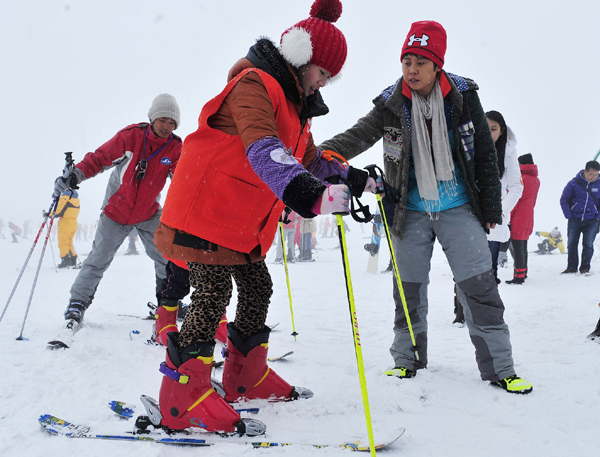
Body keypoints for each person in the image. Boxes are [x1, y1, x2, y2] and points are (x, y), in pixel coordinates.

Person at [152, 0, 381, 435]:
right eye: (322, 73)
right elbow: (264, 150)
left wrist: (357, 180)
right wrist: (310, 196)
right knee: (212, 291)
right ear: (300, 57)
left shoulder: (295, 107)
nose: (322, 84)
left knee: (259, 284)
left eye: (329, 78)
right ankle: (183, 394)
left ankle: (245, 374)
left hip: (236, 222)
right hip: (204, 211)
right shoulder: (254, 84)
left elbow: (309, 159)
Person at [319, 20, 532, 394]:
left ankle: (501, 367)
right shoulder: (391, 103)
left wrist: (492, 210)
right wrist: (317, 156)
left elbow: (484, 153)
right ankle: (408, 359)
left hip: (459, 207)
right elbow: (358, 135)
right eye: (406, 62)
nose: (412, 70)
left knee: (480, 288)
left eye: (420, 62)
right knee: (408, 290)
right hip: (409, 211)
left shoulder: (464, 96)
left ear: (437, 66)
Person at [51, 93, 182, 327]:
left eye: (172, 123)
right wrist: (75, 175)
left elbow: (184, 180)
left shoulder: (174, 147)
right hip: (116, 213)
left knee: (167, 258)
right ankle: (77, 303)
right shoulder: (131, 137)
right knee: (98, 259)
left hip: (149, 213)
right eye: (163, 120)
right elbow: (99, 159)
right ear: (153, 117)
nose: (167, 126)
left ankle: (168, 304)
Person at [484, 111, 523, 283]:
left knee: (489, 270)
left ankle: (487, 308)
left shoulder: (507, 152)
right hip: (468, 216)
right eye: (485, 127)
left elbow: (516, 186)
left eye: (493, 128)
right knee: (465, 271)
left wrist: (499, 211)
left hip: (492, 219)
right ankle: (464, 309)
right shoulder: (469, 147)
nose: (489, 132)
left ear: (501, 131)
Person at [559, 160, 600, 274]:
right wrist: (569, 216)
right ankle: (571, 267)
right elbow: (564, 200)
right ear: (585, 171)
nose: (593, 177)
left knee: (588, 245)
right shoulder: (573, 183)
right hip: (575, 219)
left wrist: (598, 218)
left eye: (596, 174)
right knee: (572, 244)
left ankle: (585, 268)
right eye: (591, 174)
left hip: (592, 220)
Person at [505, 154, 540, 284]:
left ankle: (518, 277)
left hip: (517, 218)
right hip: (528, 217)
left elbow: (514, 201)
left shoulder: (521, 179)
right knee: (523, 247)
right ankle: (524, 273)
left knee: (518, 248)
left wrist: (507, 217)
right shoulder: (536, 180)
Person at [47, 189, 81, 268]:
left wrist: (48, 214)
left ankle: (65, 260)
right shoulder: (76, 200)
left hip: (65, 223)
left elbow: (58, 212)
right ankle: (72, 259)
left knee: (63, 242)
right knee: (69, 242)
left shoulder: (65, 199)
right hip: (74, 222)